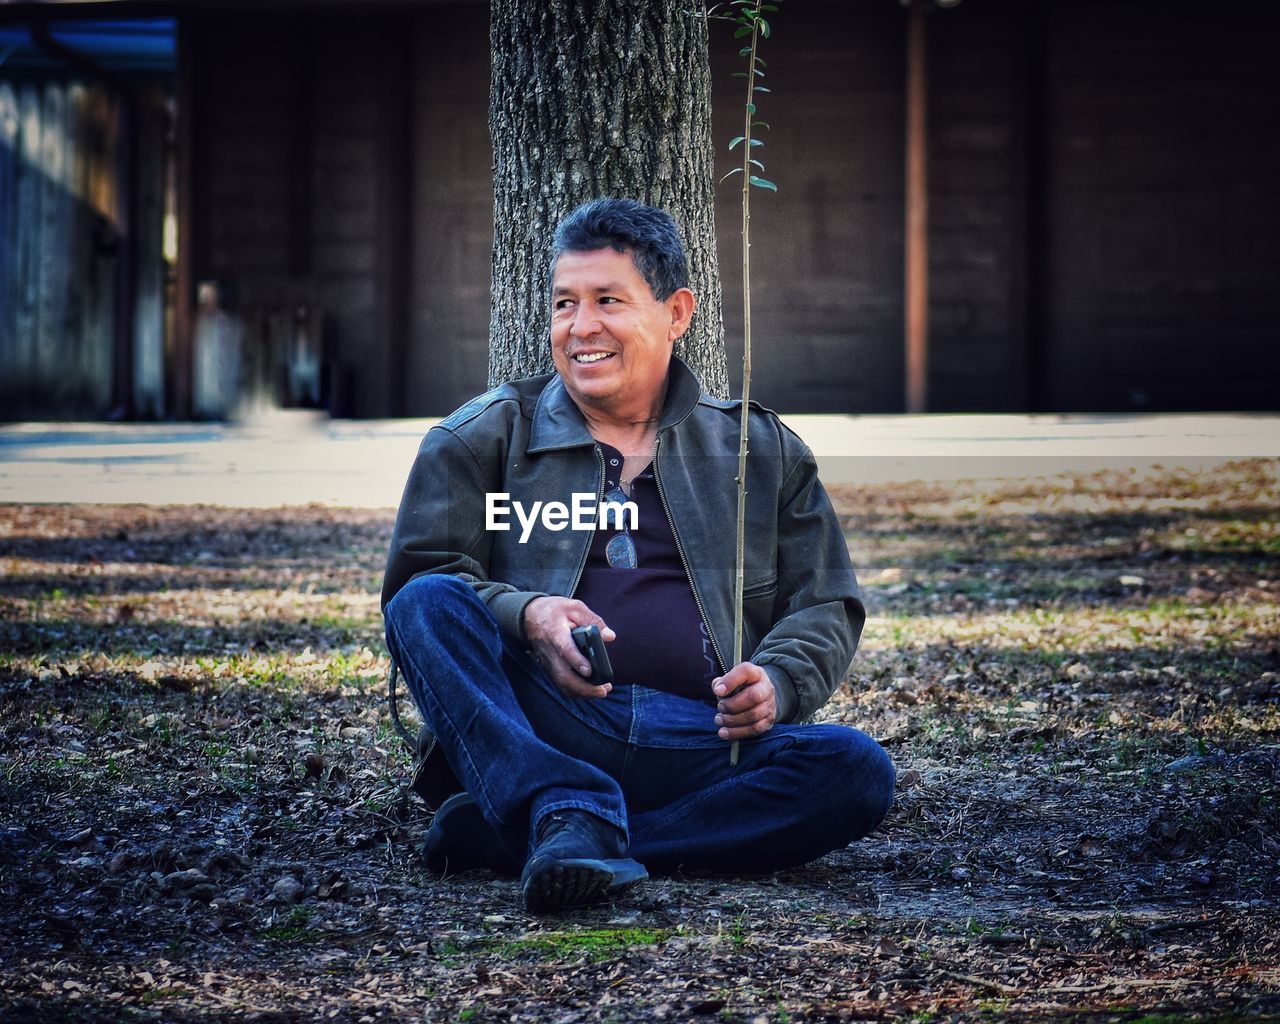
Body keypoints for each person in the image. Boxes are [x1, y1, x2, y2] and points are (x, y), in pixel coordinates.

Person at [382, 198, 894, 914]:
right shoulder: (478, 438)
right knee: (423, 604)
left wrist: (779, 681)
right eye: (564, 303)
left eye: (607, 301)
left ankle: (559, 835)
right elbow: (426, 580)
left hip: (702, 741)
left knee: (855, 770)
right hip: (543, 722)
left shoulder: (763, 452)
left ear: (677, 313)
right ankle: (556, 797)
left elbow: (825, 604)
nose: (580, 326)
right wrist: (528, 614)